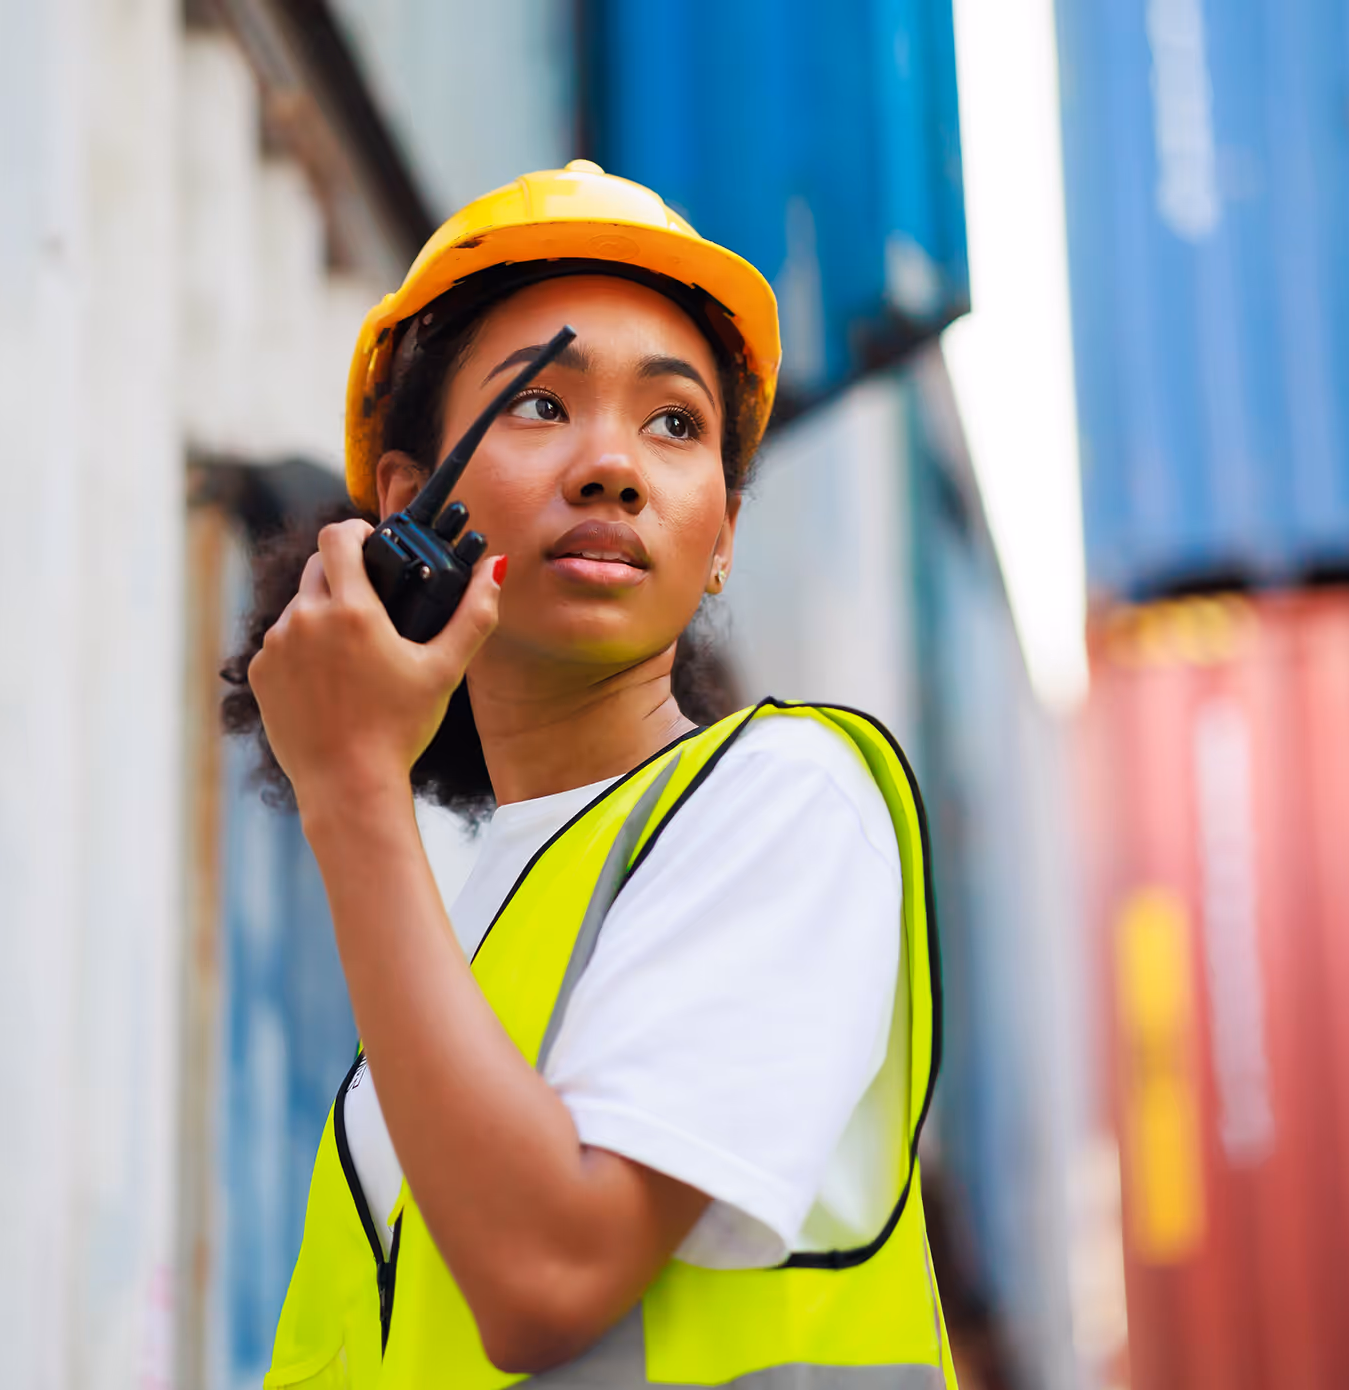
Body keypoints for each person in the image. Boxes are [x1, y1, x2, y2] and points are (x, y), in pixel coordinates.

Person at [224, 162, 952, 1387]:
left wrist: (353, 786)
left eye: (675, 424)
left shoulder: (788, 800)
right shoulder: (477, 915)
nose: (615, 464)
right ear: (410, 507)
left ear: (719, 537)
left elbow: (548, 1278)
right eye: (541, 405)